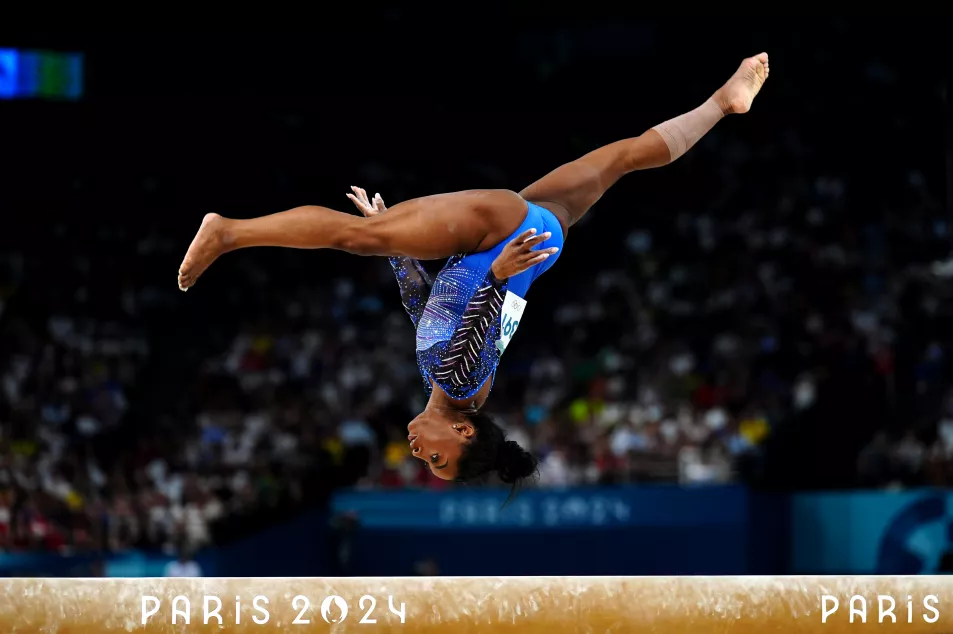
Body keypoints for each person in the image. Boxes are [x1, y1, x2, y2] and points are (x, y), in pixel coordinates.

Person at [178, 54, 770, 494]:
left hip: (537, 239)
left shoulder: (451, 380)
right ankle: (228, 232)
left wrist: (400, 249)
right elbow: (473, 327)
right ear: (463, 435)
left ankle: (722, 101)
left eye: (424, 464)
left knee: (624, 157)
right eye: (435, 459)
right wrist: (484, 274)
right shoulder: (460, 385)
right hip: (499, 240)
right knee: (351, 236)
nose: (418, 453)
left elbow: (427, 307)